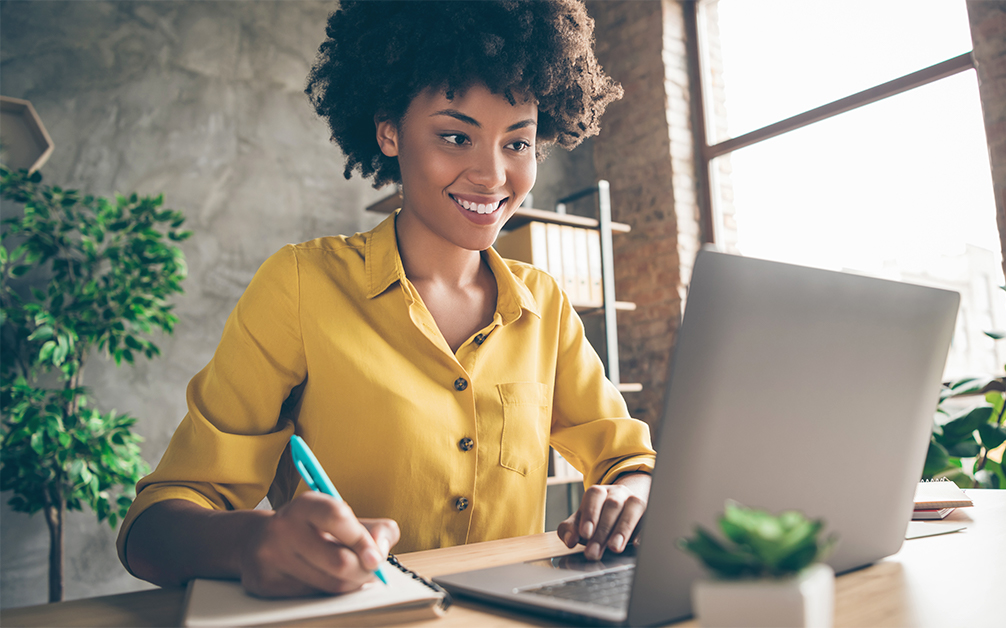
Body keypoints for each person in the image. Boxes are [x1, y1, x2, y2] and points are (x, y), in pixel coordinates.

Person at [117, 0, 655, 598]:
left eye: (518, 144)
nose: (493, 175)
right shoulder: (300, 286)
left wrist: (629, 499)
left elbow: (629, 460)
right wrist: (251, 544)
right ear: (389, 132)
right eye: (456, 136)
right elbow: (151, 531)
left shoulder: (543, 304)